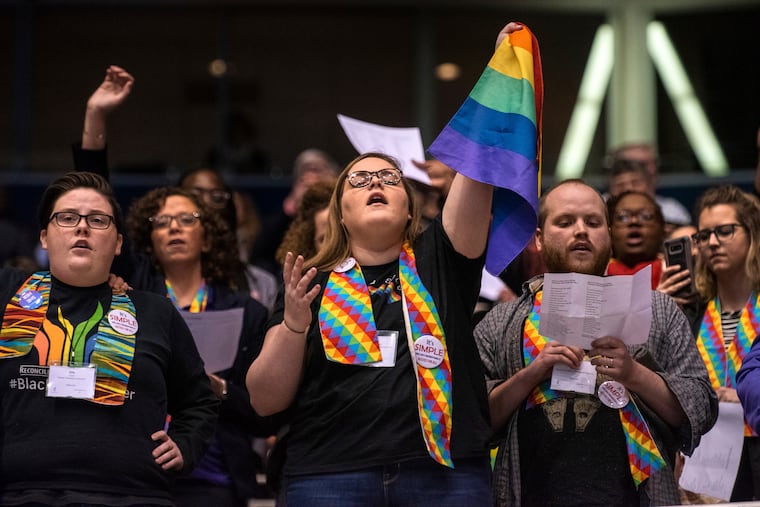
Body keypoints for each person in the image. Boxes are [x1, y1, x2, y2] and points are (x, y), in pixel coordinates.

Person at [246, 148, 497, 504]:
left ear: (410, 208)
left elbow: (481, 161)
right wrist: (294, 325)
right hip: (329, 476)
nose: (376, 181)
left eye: (391, 178)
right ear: (341, 215)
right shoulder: (308, 285)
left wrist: (470, 151)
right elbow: (265, 400)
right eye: (358, 181)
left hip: (441, 475)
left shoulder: (441, 259)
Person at [474, 179, 717, 506]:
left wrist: (633, 374)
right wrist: (533, 373)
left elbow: (701, 406)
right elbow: (473, 419)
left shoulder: (656, 309)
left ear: (609, 235)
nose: (580, 231)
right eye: (564, 222)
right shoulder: (501, 321)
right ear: (539, 240)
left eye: (593, 222)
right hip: (529, 493)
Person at [0, 171, 218, 505]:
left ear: (117, 243)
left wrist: (185, 444)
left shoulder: (154, 312)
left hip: (133, 494)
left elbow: (199, 400)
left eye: (98, 220)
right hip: (20, 493)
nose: (82, 227)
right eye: (67, 217)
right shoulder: (8, 293)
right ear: (44, 237)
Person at [125, 186, 278, 506]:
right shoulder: (129, 308)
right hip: (139, 473)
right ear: (150, 241)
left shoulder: (246, 312)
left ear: (207, 239)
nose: (174, 227)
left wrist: (219, 388)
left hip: (217, 478)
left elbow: (265, 417)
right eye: (162, 221)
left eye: (186, 219)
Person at [685, 184, 760, 501]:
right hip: (708, 457)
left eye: (725, 231)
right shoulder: (691, 313)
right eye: (704, 235)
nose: (712, 242)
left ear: (753, 233)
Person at [606, 142, 692, 233]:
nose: (628, 189)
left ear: (649, 185)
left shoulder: (672, 211)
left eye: (635, 183)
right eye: (620, 185)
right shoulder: (599, 208)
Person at [605, 190, 666, 288]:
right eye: (623, 217)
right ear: (609, 231)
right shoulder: (594, 275)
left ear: (663, 229)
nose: (634, 222)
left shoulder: (677, 271)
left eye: (645, 216)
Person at [274, 178, 336, 265]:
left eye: (340, 234)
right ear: (311, 245)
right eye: (324, 239)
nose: (334, 245)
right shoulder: (299, 277)